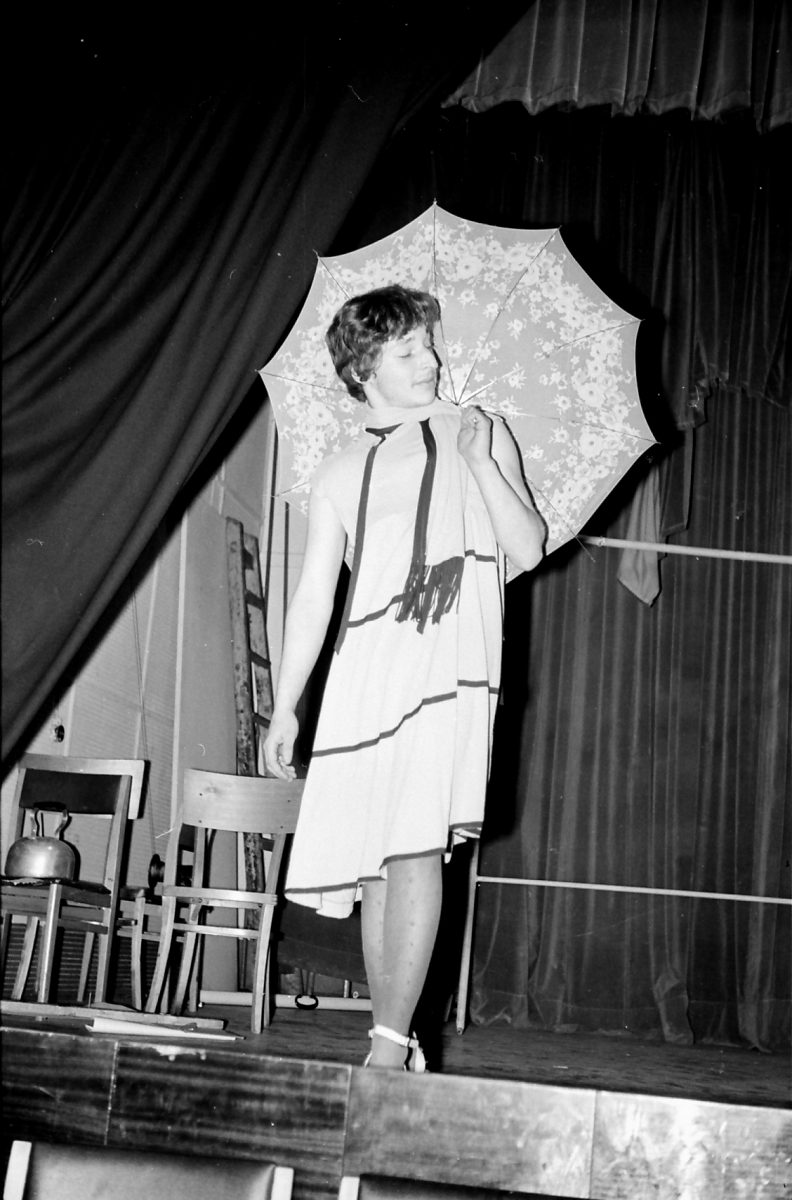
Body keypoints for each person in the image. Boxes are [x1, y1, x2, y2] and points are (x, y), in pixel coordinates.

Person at [263, 284, 545, 1069]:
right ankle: (396, 1038)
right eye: (407, 351)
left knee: (417, 844)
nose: (431, 360)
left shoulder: (480, 430)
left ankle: (387, 1047)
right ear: (363, 372)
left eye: (429, 344)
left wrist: (480, 464)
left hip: (449, 660)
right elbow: (314, 596)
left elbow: (528, 547)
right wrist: (286, 706)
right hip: (368, 668)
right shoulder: (338, 470)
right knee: (377, 861)